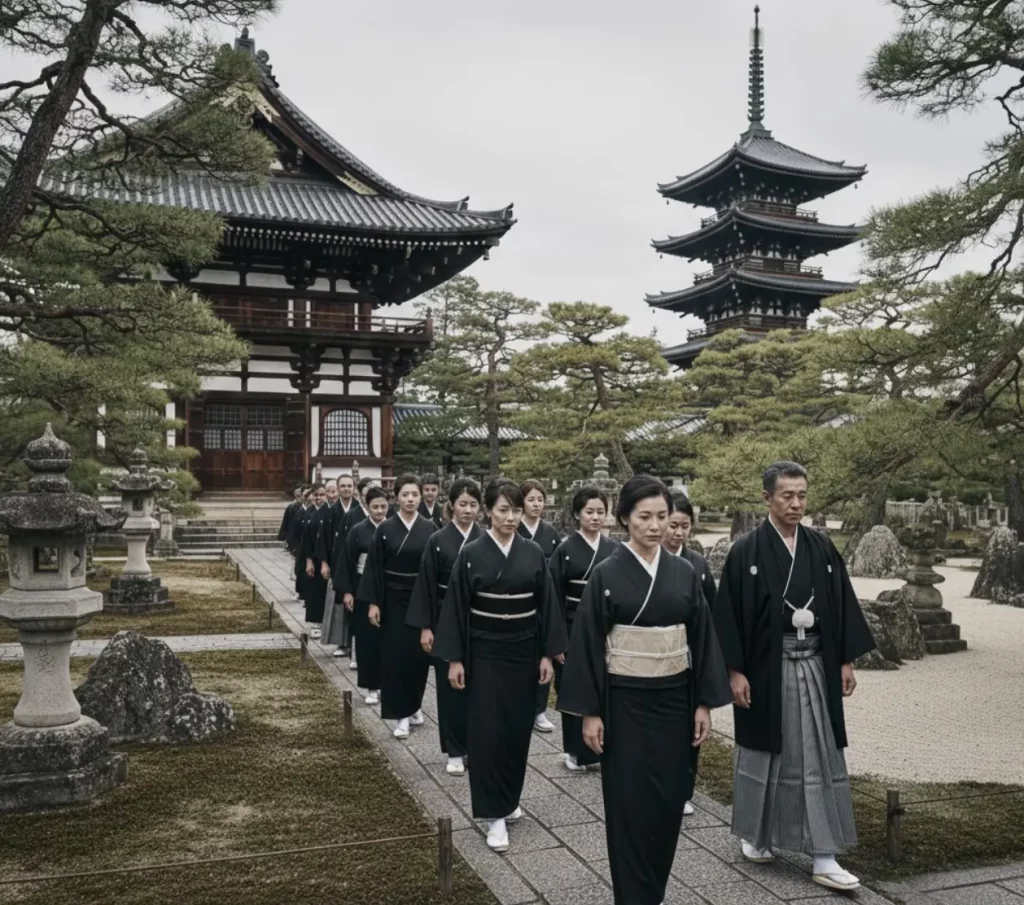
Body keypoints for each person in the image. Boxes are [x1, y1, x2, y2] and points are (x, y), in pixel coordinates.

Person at [557, 475, 732, 905]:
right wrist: (590, 711)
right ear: (624, 519)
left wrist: (704, 703)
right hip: (625, 703)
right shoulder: (607, 574)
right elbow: (588, 643)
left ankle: (653, 889)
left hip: (675, 700)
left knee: (670, 799)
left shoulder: (685, 572)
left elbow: (703, 638)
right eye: (644, 517)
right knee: (629, 804)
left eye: (662, 517)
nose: (655, 526)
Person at [713, 461, 876, 892]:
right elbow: (727, 617)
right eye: (787, 495)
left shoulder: (821, 548)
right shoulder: (745, 550)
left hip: (815, 664)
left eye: (802, 494)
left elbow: (840, 605)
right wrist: (734, 671)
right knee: (762, 754)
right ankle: (757, 836)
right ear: (766, 497)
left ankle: (824, 854)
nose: (796, 503)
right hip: (765, 667)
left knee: (818, 756)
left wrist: (844, 660)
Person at [434, 479, 567, 853]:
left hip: (524, 652)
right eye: (503, 510)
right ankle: (493, 814)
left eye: (516, 510)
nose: (511, 518)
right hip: (484, 654)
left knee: (516, 730)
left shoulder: (533, 553)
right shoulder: (472, 553)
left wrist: (546, 654)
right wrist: (455, 659)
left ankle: (509, 798)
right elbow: (457, 608)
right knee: (488, 731)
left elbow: (547, 607)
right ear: (488, 511)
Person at [407, 477, 483, 775]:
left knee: (478, 688)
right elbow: (425, 584)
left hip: (479, 621)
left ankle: (475, 745)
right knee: (449, 686)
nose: (468, 510)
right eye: (462, 504)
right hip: (443, 619)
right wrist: (426, 626)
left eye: (473, 505)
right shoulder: (438, 540)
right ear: (450, 505)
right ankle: (454, 749)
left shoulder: (485, 538)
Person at [359, 474, 435, 738]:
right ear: (396, 498)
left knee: (419, 657)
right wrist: (373, 603)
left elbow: (435, 571)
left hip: (421, 598)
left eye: (415, 494)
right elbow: (374, 568)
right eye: (405, 495)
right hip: (392, 599)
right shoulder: (385, 529)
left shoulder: (430, 528)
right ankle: (400, 714)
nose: (411, 499)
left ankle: (414, 705)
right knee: (395, 658)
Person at [548, 486, 617, 773]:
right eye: (589, 512)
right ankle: (574, 751)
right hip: (572, 625)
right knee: (573, 686)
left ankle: (602, 747)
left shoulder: (614, 550)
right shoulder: (565, 549)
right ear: (577, 514)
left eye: (601, 512)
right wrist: (557, 642)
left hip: (605, 627)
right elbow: (552, 596)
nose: (595, 517)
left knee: (605, 685)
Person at [335, 486, 390, 704]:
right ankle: (371, 686)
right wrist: (347, 591)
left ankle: (389, 682)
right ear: (367, 506)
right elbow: (347, 561)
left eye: (383, 506)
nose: (379, 510)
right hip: (362, 586)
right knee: (367, 638)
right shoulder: (358, 530)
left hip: (389, 587)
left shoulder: (393, 528)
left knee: (389, 638)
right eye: (375, 506)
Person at [517, 479, 562, 733]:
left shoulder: (551, 534)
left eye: (539, 500)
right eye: (531, 499)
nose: (536, 504)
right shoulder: (514, 530)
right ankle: (522, 706)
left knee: (544, 654)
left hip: (544, 599)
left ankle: (540, 709)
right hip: (519, 598)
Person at [665, 491, 717, 609]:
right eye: (673, 526)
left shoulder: (699, 562)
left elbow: (712, 605)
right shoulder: (648, 559)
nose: (679, 533)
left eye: (685, 526)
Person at [299, 483, 331, 639]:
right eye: (316, 495)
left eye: (321, 495)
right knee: (313, 591)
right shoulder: (310, 513)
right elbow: (306, 540)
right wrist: (308, 560)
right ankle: (315, 622)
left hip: (326, 557)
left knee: (326, 591)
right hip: (314, 558)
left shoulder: (329, 513)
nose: (318, 498)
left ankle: (326, 622)